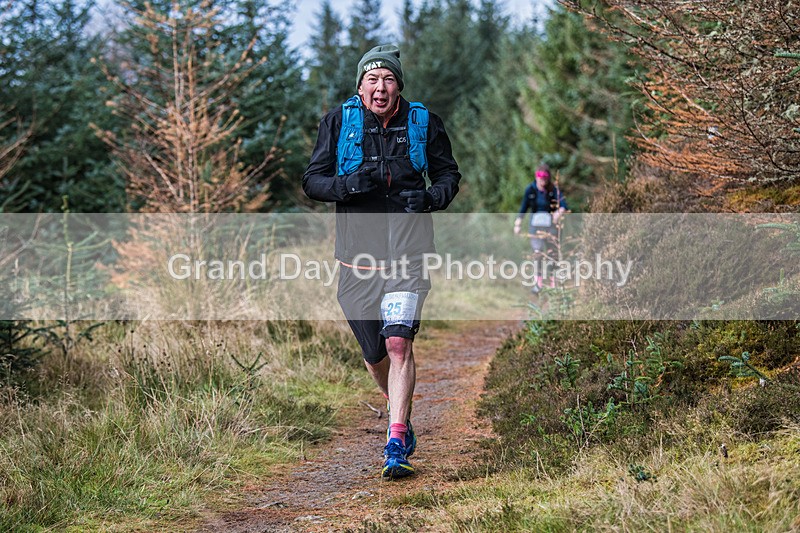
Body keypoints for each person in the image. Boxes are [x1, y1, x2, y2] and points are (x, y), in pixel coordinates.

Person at [302, 44, 460, 479]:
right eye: (372, 79)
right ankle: (400, 411)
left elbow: (449, 176)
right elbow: (312, 181)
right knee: (374, 353)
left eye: (388, 79)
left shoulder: (423, 123)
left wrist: (429, 197)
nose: (381, 87)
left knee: (397, 343)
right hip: (357, 262)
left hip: (408, 255)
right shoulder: (338, 123)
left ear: (399, 85)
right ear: (360, 87)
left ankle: (395, 439)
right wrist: (348, 185)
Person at [513, 164, 567, 292]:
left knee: (552, 254)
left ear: (548, 177)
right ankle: (538, 284)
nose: (542, 179)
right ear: (536, 176)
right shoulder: (530, 190)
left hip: (551, 226)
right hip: (535, 226)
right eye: (540, 176)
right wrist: (518, 223)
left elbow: (563, 205)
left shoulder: (553, 189)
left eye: (545, 177)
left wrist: (558, 213)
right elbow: (524, 207)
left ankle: (554, 284)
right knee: (537, 253)